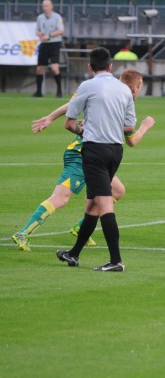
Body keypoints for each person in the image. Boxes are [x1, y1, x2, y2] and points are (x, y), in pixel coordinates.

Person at [12, 70, 154, 252]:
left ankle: (81, 228)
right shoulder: (118, 97)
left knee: (117, 190)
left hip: (94, 155)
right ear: (136, 87)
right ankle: (24, 232)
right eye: (139, 88)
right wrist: (145, 126)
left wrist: (51, 117)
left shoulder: (108, 93)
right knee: (61, 198)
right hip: (82, 154)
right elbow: (132, 140)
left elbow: (73, 104)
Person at [56, 48, 138, 272]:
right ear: (111, 67)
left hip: (94, 151)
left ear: (90, 67)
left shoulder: (87, 86)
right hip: (115, 151)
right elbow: (129, 126)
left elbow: (69, 123)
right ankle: (73, 254)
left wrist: (84, 130)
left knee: (104, 204)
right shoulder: (123, 89)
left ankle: (116, 261)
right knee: (91, 205)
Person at [33, 0, 65, 98]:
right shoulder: (40, 18)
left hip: (54, 43)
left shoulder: (57, 17)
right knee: (39, 69)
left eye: (47, 6)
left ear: (51, 6)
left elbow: (61, 30)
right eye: (43, 6)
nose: (45, 8)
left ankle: (59, 91)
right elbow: (36, 30)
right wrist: (40, 34)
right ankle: (38, 92)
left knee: (55, 68)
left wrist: (49, 35)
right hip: (44, 44)